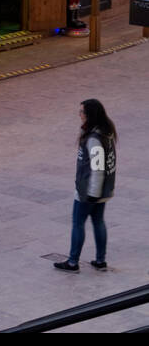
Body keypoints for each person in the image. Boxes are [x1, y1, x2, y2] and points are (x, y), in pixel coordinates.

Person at [54, 100, 117, 272]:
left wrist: (92, 193)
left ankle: (73, 262)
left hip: (90, 190)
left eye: (81, 111)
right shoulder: (106, 132)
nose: (79, 115)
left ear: (89, 115)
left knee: (78, 223)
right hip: (102, 189)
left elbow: (97, 168)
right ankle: (100, 260)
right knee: (98, 221)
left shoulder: (94, 139)